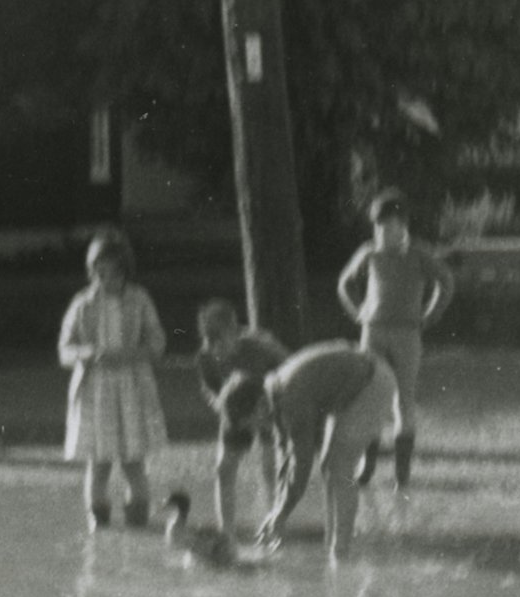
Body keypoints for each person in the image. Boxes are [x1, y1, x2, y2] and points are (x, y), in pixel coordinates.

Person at [336, 190, 454, 492]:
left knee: (403, 401)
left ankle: (402, 473)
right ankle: (368, 464)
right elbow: (345, 284)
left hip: (406, 334)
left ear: (403, 226)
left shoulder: (419, 253)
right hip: (372, 332)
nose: (383, 234)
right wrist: (358, 311)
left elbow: (446, 282)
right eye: (378, 228)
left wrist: (430, 315)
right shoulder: (369, 253)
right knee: (370, 398)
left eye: (388, 227)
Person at [57, 228, 167, 530]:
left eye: (114, 273)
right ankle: (99, 527)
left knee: (133, 463)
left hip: (132, 388)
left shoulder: (139, 299)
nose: (107, 280)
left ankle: (138, 526)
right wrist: (88, 353)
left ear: (125, 271)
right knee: (99, 463)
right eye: (100, 273)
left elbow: (158, 342)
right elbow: (64, 350)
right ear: (92, 271)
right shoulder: (83, 304)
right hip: (96, 392)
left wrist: (131, 354)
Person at [259, 341, 402, 562]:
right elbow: (284, 454)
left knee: (339, 467)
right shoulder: (275, 392)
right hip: (356, 382)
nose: (256, 430)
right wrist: (277, 510)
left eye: (251, 422)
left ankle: (341, 555)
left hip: (373, 383)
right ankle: (333, 546)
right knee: (329, 465)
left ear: (256, 407)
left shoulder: (290, 396)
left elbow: (301, 465)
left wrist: (281, 514)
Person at [194, 299, 290, 540]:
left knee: (270, 467)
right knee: (224, 468)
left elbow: (290, 370)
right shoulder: (205, 358)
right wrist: (224, 408)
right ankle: (226, 531)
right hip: (235, 410)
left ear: (234, 330)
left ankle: (275, 523)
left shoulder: (260, 346)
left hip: (269, 406)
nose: (215, 346)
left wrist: (268, 410)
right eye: (209, 338)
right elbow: (212, 392)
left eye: (221, 338)